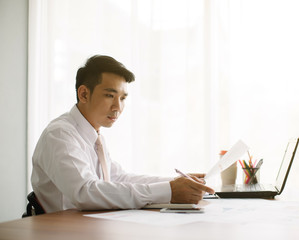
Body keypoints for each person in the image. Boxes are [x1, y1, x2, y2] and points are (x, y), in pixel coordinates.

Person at [31, 55, 214, 213]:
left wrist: (178, 182)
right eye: (110, 95)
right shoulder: (60, 134)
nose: (118, 107)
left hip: (87, 226)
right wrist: (169, 190)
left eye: (123, 98)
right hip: (58, 231)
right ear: (84, 94)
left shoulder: (95, 136)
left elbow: (119, 178)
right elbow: (85, 192)